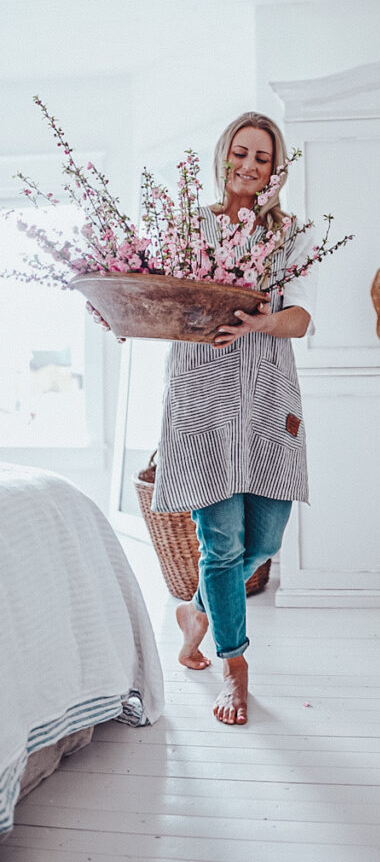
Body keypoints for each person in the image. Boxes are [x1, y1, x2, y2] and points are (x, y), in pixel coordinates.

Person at [90, 111, 317, 726]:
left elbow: (302, 316)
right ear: (223, 157)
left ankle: (195, 612)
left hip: (268, 393)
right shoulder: (190, 228)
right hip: (202, 396)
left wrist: (261, 321)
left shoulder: (291, 234)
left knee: (264, 541)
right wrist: (121, 315)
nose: (248, 166)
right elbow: (155, 294)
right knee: (222, 543)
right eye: (240, 153)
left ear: (277, 170)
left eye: (262, 158)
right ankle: (234, 667)